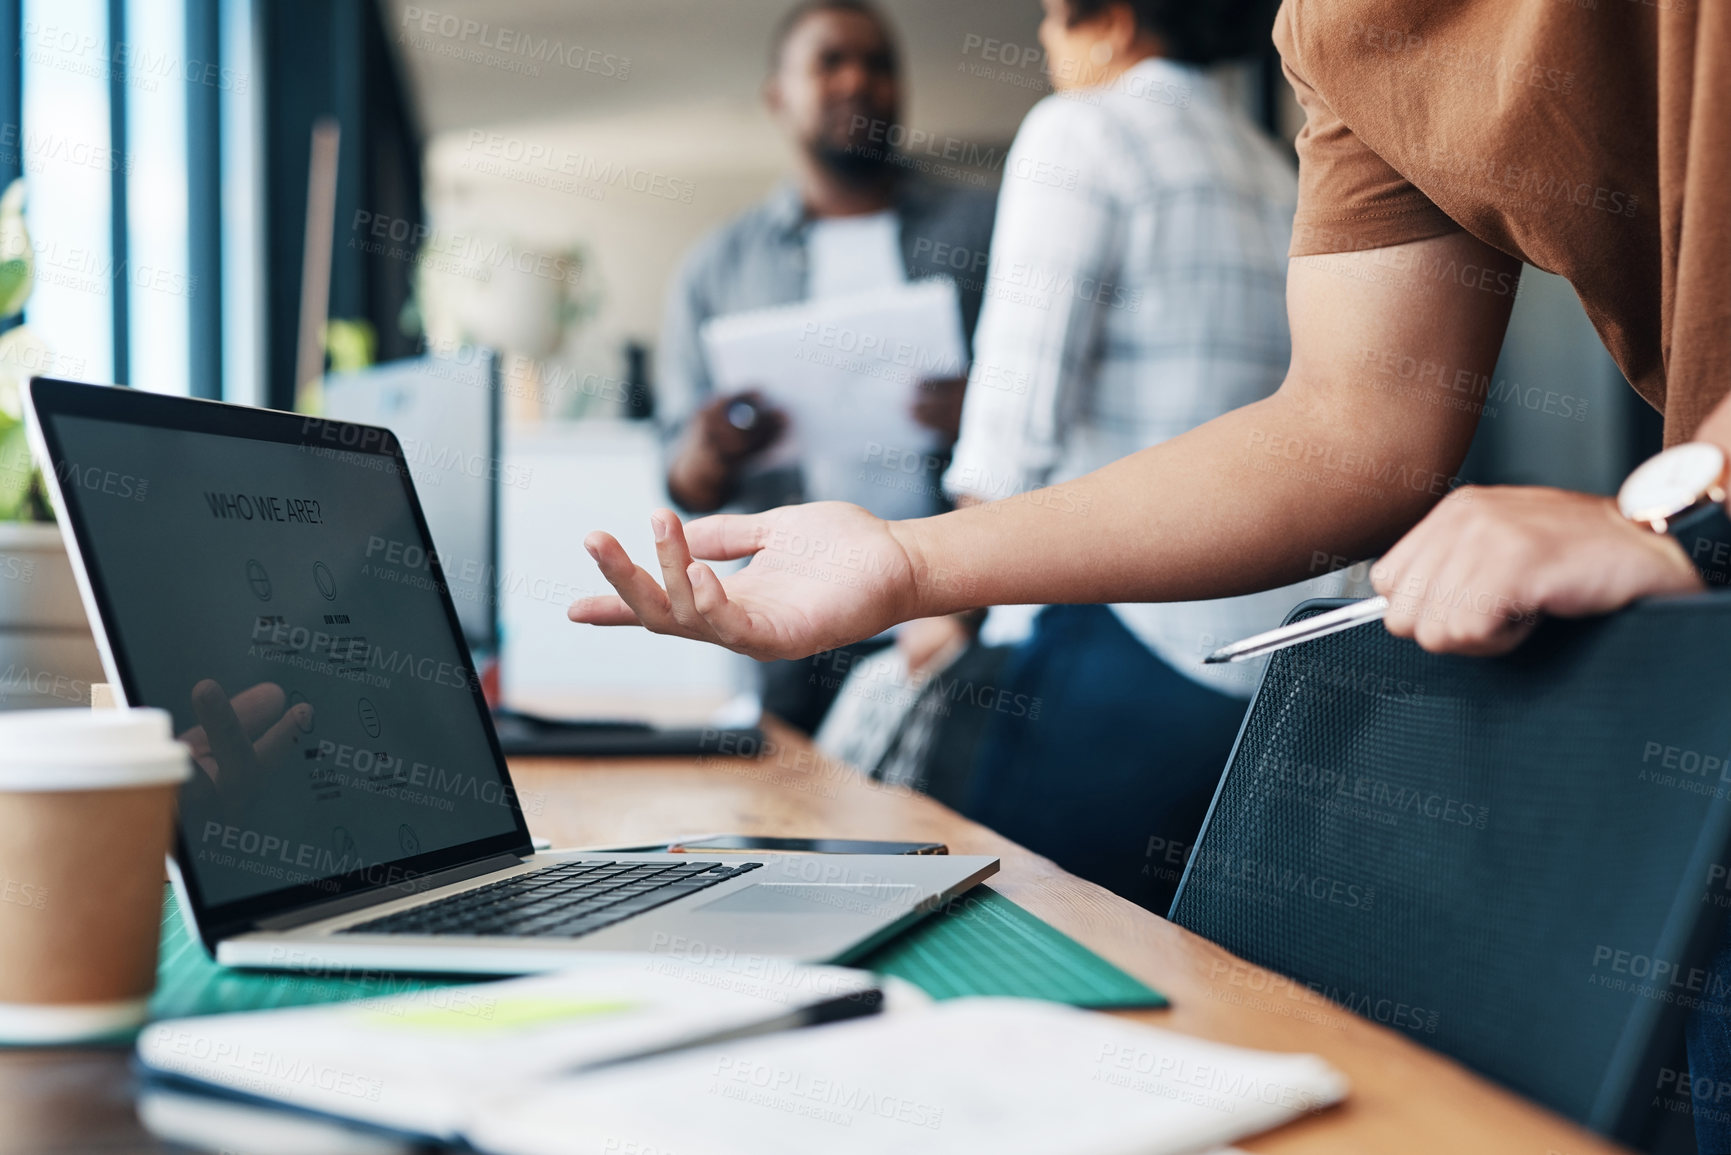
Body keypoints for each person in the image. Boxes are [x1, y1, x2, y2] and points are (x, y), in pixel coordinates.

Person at [575, 1, 1727, 1142]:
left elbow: (1011, 429)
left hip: (1149, 651)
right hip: (1301, 649)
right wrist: (908, 561)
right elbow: (1356, 428)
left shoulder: (1078, 135)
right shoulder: (1322, 56)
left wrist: (1696, 486)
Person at [888, 0, 1317, 911]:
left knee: (1017, 949)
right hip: (1267, 663)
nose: (1044, 43)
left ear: (1112, 22)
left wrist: (937, 601)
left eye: (1050, 17)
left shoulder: (1077, 131)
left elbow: (1015, 416)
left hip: (1117, 633)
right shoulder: (1274, 168)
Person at [655, 0, 997, 733]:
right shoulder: (717, 267)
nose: (858, 82)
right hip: (789, 615)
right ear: (777, 95)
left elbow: (1046, 411)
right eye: (829, 62)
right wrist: (710, 447)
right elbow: (680, 477)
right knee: (795, 828)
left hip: (955, 605)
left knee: (955, 832)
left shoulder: (981, 229)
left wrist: (987, 409)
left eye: (879, 64)